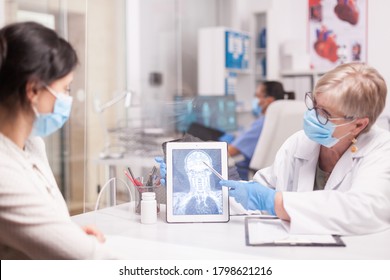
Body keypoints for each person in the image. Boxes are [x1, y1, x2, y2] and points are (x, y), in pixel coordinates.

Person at [220, 62, 390, 235]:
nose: (312, 116)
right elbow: (261, 191)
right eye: (314, 104)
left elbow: (362, 211)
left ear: (358, 124)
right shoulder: (301, 141)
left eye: (324, 113)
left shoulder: (382, 149)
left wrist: (275, 202)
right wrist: (217, 197)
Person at [0, 22, 118, 259]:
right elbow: (91, 259)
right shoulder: (4, 170)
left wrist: (65, 234)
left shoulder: (33, 145)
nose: (68, 99)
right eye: (65, 89)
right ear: (33, 90)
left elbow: (39, 219)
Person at [228, 81, 294, 180]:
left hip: (250, 174)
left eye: (257, 96)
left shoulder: (263, 122)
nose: (255, 101)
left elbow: (230, 151)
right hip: (274, 174)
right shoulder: (283, 120)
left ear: (269, 100)